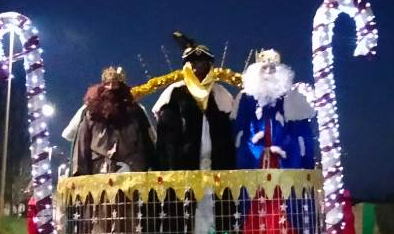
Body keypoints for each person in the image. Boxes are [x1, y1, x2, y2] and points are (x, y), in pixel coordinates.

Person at [153, 32, 235, 171]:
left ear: (209, 65)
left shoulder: (220, 94)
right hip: (184, 167)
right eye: (193, 62)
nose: (198, 66)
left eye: (202, 62)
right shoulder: (174, 92)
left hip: (217, 167)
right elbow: (166, 137)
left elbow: (229, 134)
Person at [68, 66, 156, 175]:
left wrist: (149, 166)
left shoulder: (134, 110)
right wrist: (79, 175)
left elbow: (145, 140)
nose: (111, 87)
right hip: (99, 170)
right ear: (102, 85)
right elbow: (82, 143)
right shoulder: (92, 112)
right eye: (107, 84)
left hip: (131, 169)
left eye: (115, 83)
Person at [233, 49, 294, 169]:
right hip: (252, 151)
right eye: (264, 68)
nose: (268, 72)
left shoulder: (284, 97)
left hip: (279, 151)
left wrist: (281, 142)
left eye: (272, 68)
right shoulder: (247, 96)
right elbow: (239, 124)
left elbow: (288, 125)